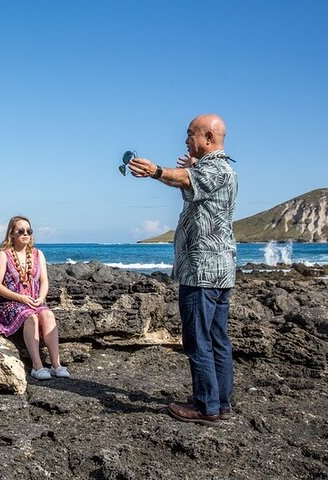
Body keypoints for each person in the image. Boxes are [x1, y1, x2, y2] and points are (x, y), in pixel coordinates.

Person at [127, 114, 237, 426]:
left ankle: (206, 407)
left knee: (198, 340)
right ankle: (220, 402)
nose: (187, 139)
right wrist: (183, 169)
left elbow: (186, 180)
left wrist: (155, 170)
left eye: (191, 134)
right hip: (218, 271)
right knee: (217, 338)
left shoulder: (215, 167)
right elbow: (190, 184)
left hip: (202, 271)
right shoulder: (212, 168)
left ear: (209, 138)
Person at [0, 215, 70, 380]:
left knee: (47, 314)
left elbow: (44, 281)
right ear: (12, 234)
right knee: (31, 317)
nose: (25, 234)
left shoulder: (38, 254)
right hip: (10, 303)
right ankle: (37, 366)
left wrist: (41, 298)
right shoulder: (3, 255)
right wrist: (20, 298)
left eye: (29, 231)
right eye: (21, 231)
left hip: (33, 300)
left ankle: (56, 364)